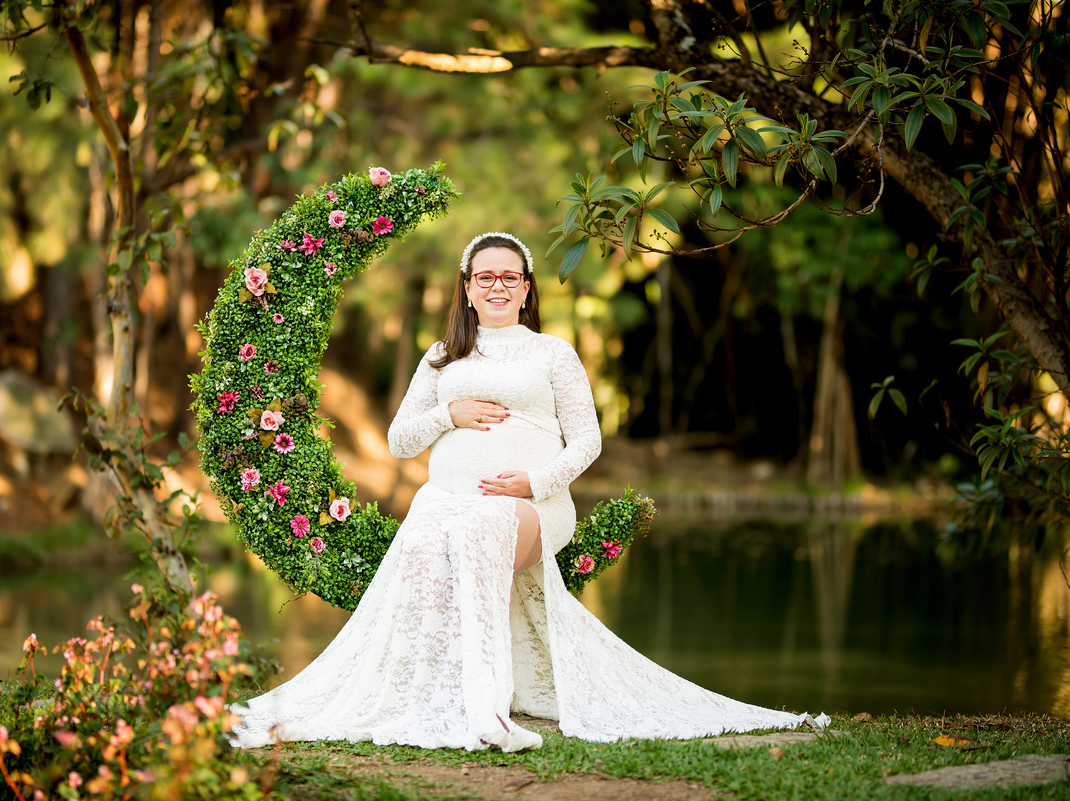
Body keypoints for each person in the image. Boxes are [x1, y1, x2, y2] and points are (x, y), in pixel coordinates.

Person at [230, 232, 827, 751]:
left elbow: (587, 442)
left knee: (483, 533)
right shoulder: (440, 358)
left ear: (525, 288)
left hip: (532, 506)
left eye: (508, 277)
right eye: (485, 277)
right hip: (447, 498)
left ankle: (489, 713)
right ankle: (425, 699)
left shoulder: (553, 353)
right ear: (466, 287)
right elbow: (400, 441)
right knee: (422, 541)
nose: (497, 286)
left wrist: (534, 483)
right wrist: (449, 414)